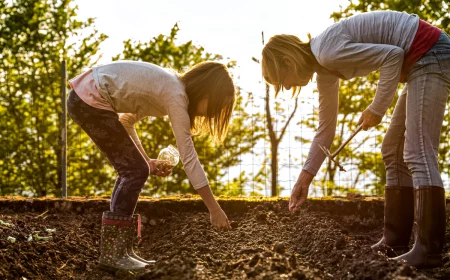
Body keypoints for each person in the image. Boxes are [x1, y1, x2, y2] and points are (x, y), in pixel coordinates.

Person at [261, 10, 449, 269]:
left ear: (287, 62)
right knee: (392, 150)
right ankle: (395, 241)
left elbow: (392, 55)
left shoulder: (327, 51)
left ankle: (428, 250)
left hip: (431, 53)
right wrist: (304, 179)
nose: (291, 87)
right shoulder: (325, 70)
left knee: (417, 151)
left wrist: (376, 109)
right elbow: (325, 130)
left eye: (284, 82)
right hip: (419, 61)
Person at [67, 60, 235, 272]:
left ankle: (121, 252)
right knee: (134, 171)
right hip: (89, 101)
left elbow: (126, 121)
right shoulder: (175, 94)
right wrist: (214, 208)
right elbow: (188, 156)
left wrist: (146, 161)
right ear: (206, 92)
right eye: (216, 106)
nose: (212, 114)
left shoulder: (168, 87)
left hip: (88, 98)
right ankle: (114, 255)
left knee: (136, 169)